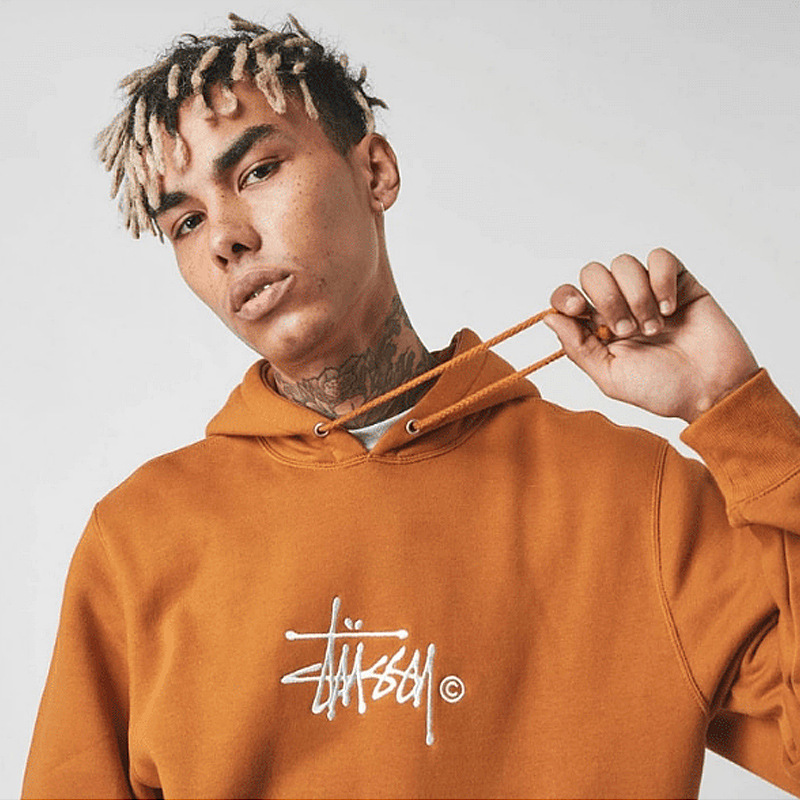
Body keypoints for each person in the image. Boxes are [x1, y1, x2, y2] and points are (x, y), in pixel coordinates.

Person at [22, 12, 800, 799]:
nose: (225, 236)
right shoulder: (139, 540)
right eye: (186, 221)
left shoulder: (637, 499)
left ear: (376, 171)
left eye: (257, 172)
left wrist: (734, 405)